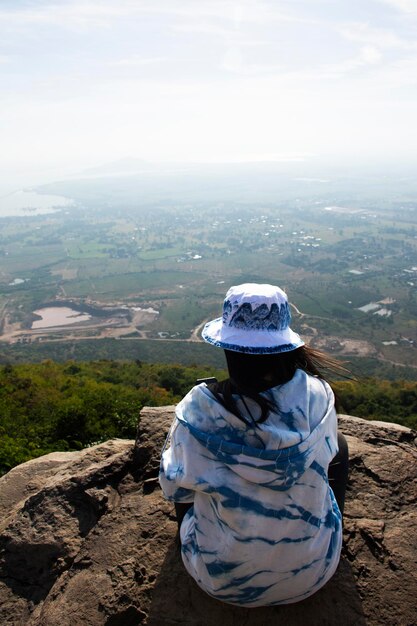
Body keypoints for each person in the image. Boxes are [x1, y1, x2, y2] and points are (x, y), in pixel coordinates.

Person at [159, 283, 349, 607]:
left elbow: (174, 490)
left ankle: (202, 542)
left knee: (189, 476)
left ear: (227, 346)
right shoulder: (318, 397)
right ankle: (320, 533)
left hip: (223, 582)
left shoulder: (196, 416)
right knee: (339, 446)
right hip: (315, 571)